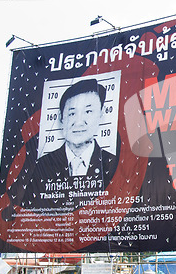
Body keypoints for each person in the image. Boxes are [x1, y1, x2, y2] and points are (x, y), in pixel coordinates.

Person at [19, 78, 118, 210]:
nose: (78, 122)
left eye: (88, 111)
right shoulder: (41, 166)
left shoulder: (115, 164)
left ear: (101, 113)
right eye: (71, 113)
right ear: (61, 117)